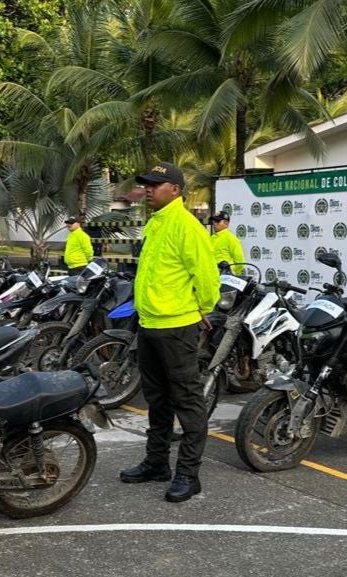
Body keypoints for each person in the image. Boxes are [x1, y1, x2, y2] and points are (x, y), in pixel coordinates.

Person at [119, 161, 220, 503]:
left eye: (155, 185)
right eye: (146, 184)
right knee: (157, 400)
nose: (148, 189)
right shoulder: (156, 223)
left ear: (175, 190)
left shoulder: (187, 226)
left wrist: (201, 308)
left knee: (187, 402)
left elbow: (207, 278)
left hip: (177, 327)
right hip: (149, 325)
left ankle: (189, 474)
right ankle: (156, 462)